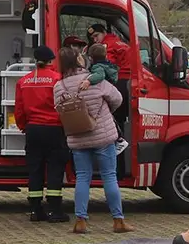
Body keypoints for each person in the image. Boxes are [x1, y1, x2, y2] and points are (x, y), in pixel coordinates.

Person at [52, 47, 135, 234]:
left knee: (82, 177)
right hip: (103, 135)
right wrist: (104, 112)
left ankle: (80, 220)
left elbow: (59, 109)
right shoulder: (94, 80)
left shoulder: (59, 86)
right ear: (78, 61)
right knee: (109, 176)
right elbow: (117, 98)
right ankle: (118, 220)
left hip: (77, 137)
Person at [14, 45, 70, 223]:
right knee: (55, 168)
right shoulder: (58, 80)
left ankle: (35, 209)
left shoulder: (23, 81)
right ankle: (54, 210)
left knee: (35, 170)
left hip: (33, 130)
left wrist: (24, 126)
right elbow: (65, 106)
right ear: (51, 61)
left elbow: (19, 110)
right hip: (54, 129)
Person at [78, 42, 128, 154]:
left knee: (111, 119)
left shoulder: (98, 67)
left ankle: (120, 139)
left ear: (90, 58)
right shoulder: (108, 64)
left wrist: (88, 81)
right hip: (111, 90)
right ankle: (119, 139)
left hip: (105, 93)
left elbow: (99, 75)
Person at [87, 23, 131, 148]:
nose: (95, 40)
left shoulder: (107, 46)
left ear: (104, 32)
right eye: (93, 38)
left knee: (114, 118)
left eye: (96, 36)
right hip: (127, 81)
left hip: (119, 82)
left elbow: (104, 66)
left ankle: (118, 141)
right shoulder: (118, 42)